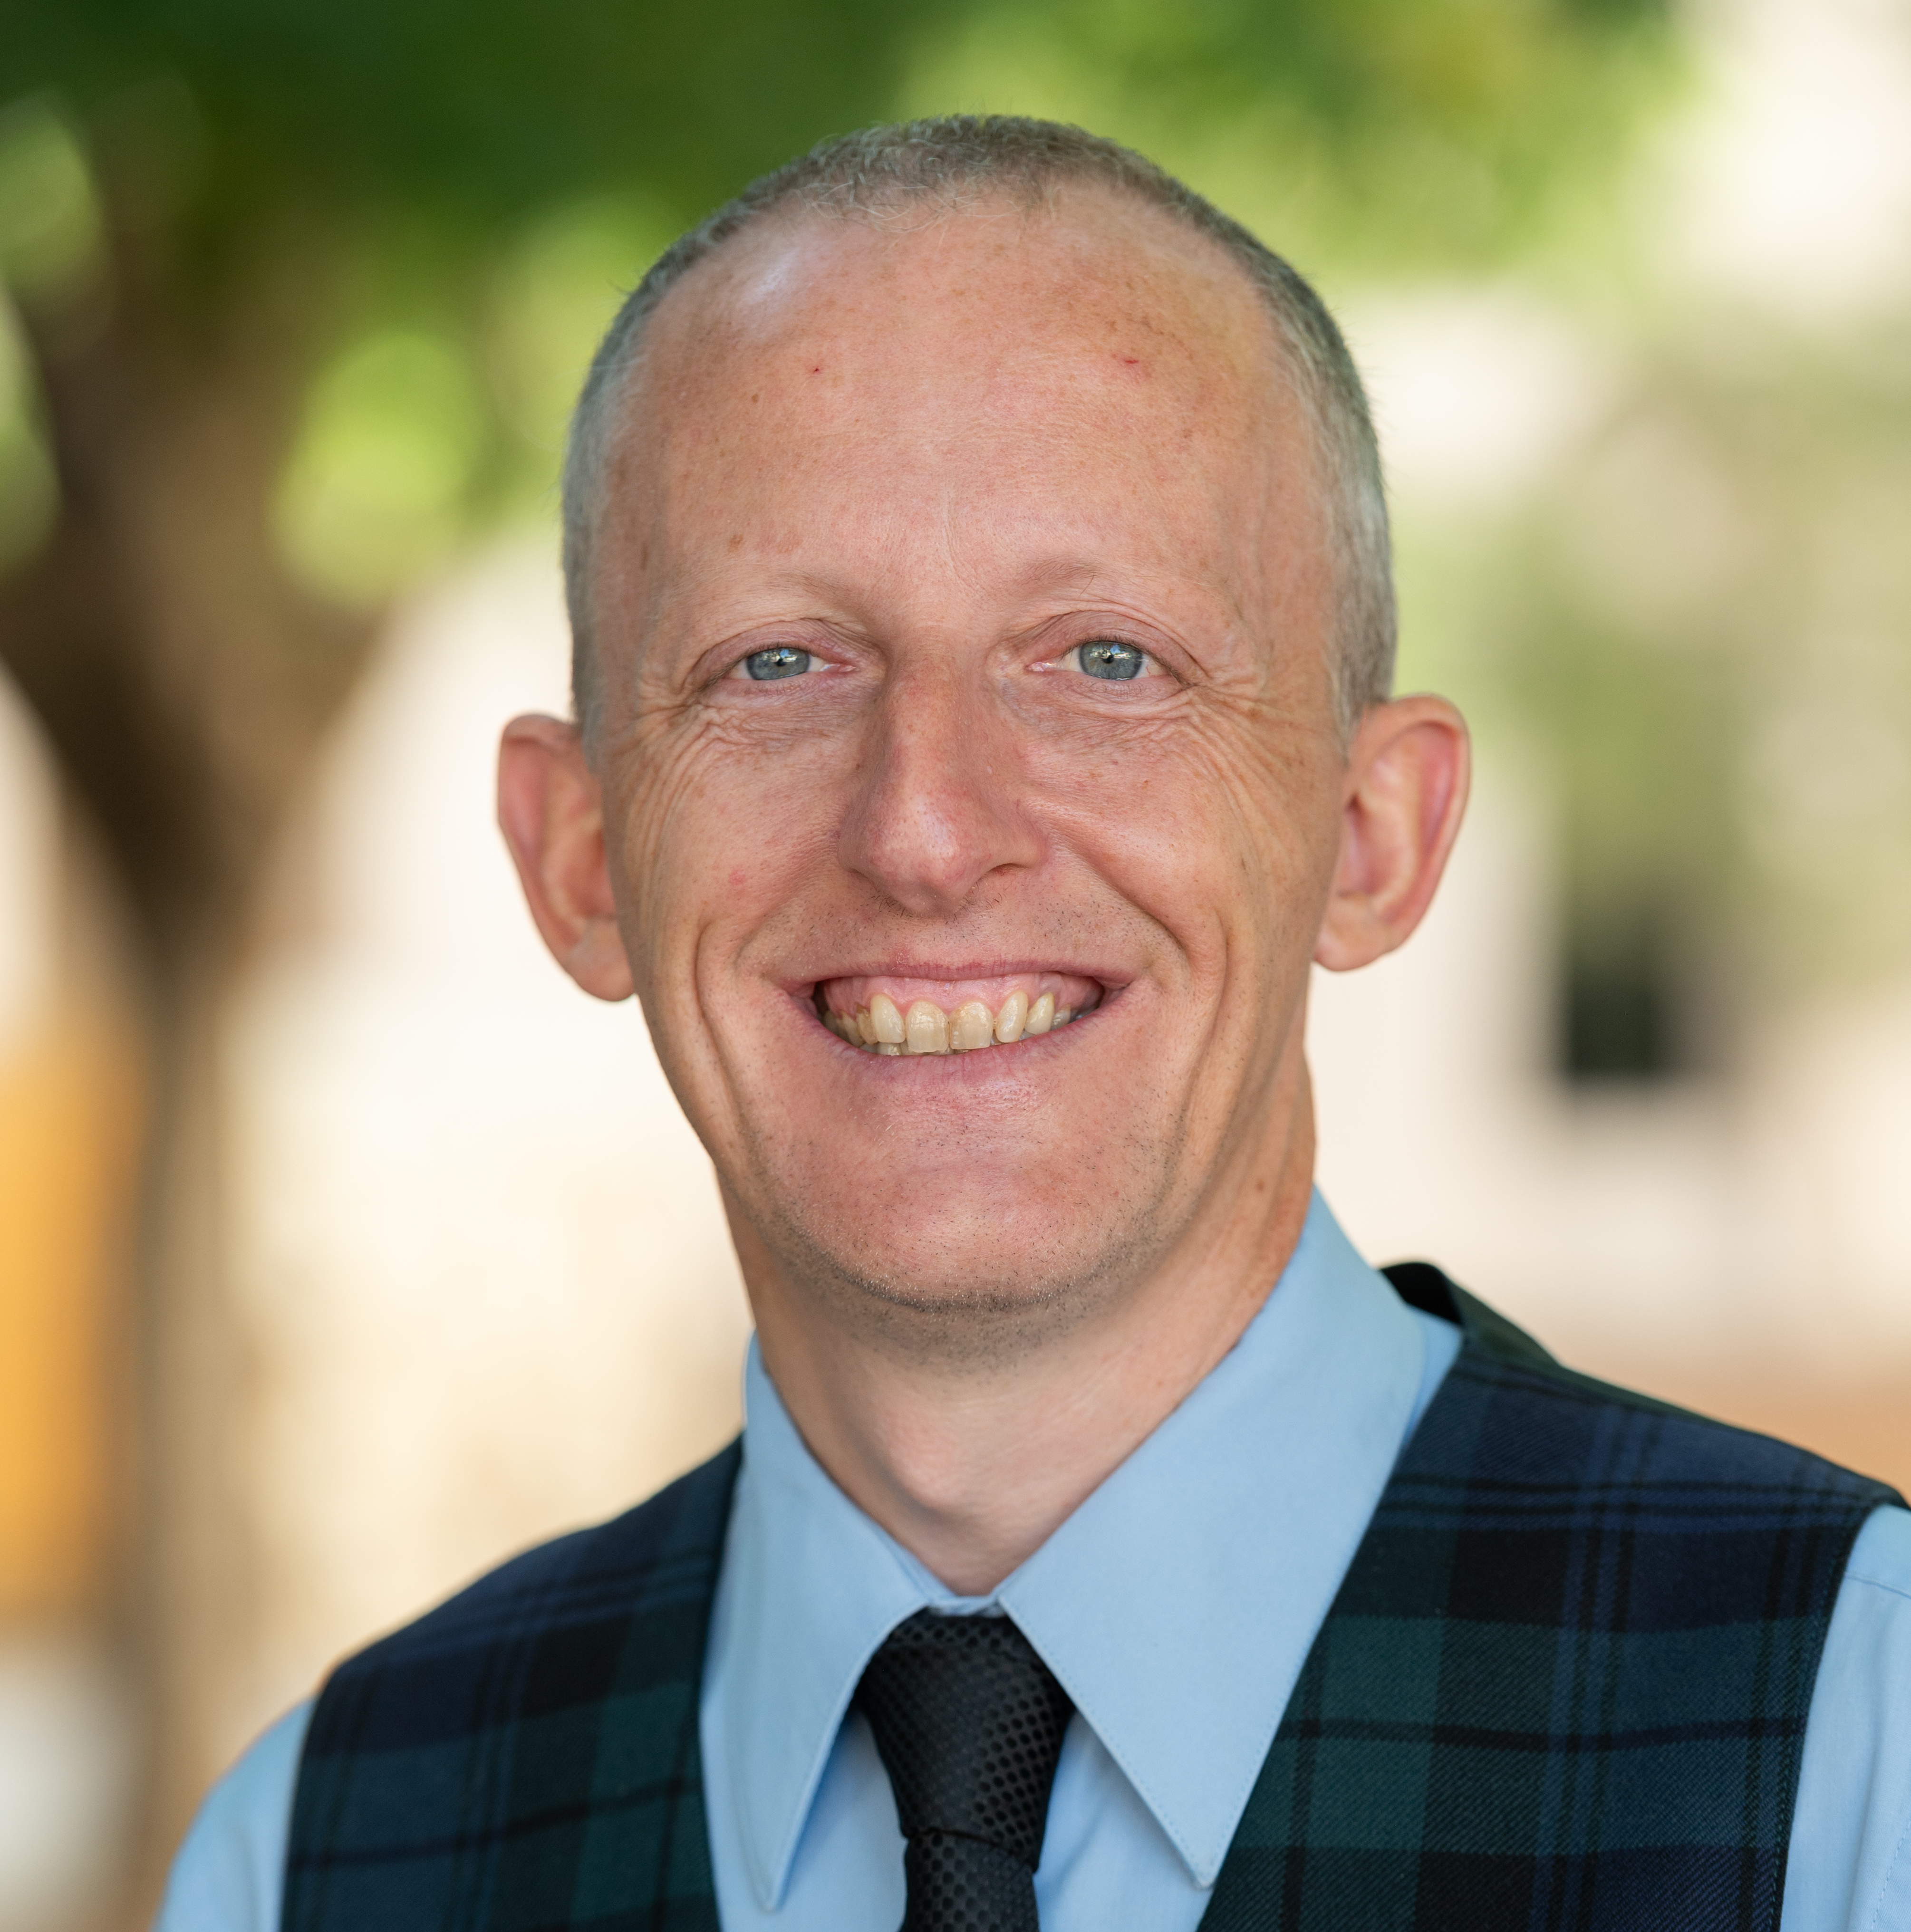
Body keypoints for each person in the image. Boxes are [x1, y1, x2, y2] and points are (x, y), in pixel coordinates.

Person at [157, 117, 1911, 1932]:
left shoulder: (1860, 1763)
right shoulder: (313, 1858)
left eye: (1103, 659)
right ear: (581, 856)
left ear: (1372, 835)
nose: (924, 829)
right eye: (778, 663)